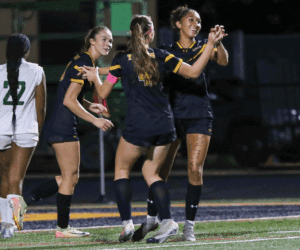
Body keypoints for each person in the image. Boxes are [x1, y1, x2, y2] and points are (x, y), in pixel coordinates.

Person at [81, 14, 225, 243]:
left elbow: (104, 93)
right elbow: (195, 72)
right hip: (165, 125)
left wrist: (95, 76)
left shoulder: (121, 59)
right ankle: (167, 222)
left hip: (139, 126)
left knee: (121, 171)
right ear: (151, 33)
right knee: (152, 173)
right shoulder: (161, 55)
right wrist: (210, 44)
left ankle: (127, 224)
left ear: (132, 33)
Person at [133, 6, 229, 242]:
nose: (196, 24)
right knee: (158, 172)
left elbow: (224, 61)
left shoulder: (204, 47)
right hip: (172, 117)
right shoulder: (167, 51)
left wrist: (217, 42)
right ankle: (152, 218)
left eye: (198, 20)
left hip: (199, 115)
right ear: (178, 24)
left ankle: (189, 226)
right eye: (190, 20)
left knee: (195, 169)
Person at [23, 26, 114, 238]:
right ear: (91, 41)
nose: (107, 44)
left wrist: (89, 104)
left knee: (70, 177)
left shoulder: (84, 61)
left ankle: (25, 201)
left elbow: (69, 92)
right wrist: (95, 120)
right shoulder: (84, 62)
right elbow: (68, 100)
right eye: (103, 39)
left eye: (109, 41)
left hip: (60, 123)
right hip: (62, 124)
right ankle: (61, 228)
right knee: (70, 176)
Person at [0, 34, 46, 238]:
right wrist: (39, 131)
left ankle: (5, 223)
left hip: (1, 129)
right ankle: (11, 225)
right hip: (26, 130)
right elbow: (41, 108)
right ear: (26, 51)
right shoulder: (36, 71)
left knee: (4, 178)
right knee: (15, 179)